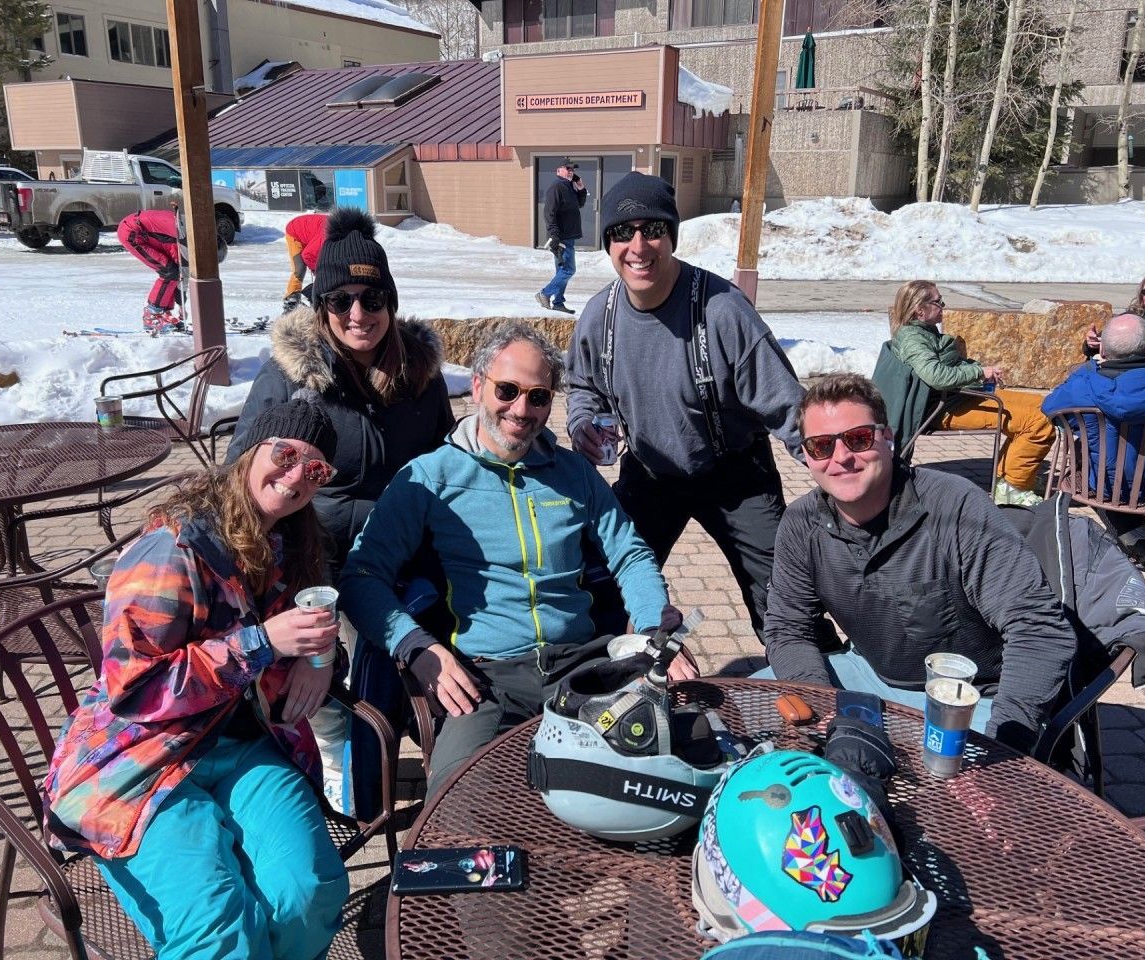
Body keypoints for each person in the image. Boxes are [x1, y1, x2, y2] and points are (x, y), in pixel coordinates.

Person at [42, 394, 350, 960]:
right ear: (248, 451)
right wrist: (262, 643)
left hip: (245, 744)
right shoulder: (172, 549)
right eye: (284, 453)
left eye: (315, 468)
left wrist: (318, 660)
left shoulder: (291, 544)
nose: (295, 475)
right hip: (142, 759)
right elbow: (134, 690)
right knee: (218, 930)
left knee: (309, 893)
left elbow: (298, 640)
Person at [340, 322, 693, 795]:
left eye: (539, 396)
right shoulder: (429, 478)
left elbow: (629, 553)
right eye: (508, 390)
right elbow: (362, 576)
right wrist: (417, 646)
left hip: (582, 667)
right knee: (455, 799)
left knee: (667, 771)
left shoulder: (572, 474)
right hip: (485, 677)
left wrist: (652, 630)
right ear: (478, 385)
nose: (521, 410)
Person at [763, 374, 1077, 752]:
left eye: (858, 438)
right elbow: (787, 628)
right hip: (865, 673)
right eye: (821, 446)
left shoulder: (954, 505)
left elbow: (1039, 629)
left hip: (967, 699)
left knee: (954, 798)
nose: (841, 457)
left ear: (888, 436)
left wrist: (1004, 742)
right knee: (741, 720)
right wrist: (820, 703)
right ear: (807, 456)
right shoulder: (801, 524)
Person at [566, 171, 806, 639]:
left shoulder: (723, 311)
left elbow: (790, 409)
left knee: (785, 602)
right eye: (622, 233)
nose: (638, 246)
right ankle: (616, 682)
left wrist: (847, 472)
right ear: (608, 244)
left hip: (735, 477)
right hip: (651, 476)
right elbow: (581, 385)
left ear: (672, 236)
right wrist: (580, 424)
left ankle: (813, 692)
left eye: (652, 229)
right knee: (604, 586)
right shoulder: (600, 314)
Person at [228, 205, 454, 576]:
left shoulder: (419, 372)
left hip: (404, 552)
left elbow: (447, 460)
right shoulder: (289, 376)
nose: (358, 314)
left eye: (372, 299)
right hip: (313, 557)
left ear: (390, 304)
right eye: (340, 299)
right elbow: (238, 471)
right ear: (321, 306)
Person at [1044, 312, 1145, 564]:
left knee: (1084, 454)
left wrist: (1089, 366)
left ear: (1104, 351)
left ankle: (1135, 537)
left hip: (1106, 486)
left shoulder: (1083, 386)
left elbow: (1051, 408)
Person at [878, 279, 1054, 506]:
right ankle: (1013, 487)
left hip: (957, 397)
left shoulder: (923, 331)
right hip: (942, 408)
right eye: (938, 301)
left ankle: (1012, 478)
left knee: (1043, 406)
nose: (943, 305)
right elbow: (936, 376)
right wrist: (978, 372)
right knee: (1036, 421)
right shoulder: (913, 339)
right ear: (919, 310)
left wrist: (976, 372)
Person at [117, 208, 184, 336]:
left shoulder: (188, 229)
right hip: (131, 233)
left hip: (143, 230)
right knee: (169, 272)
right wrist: (181, 304)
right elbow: (179, 268)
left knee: (173, 272)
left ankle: (163, 312)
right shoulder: (184, 236)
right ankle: (151, 316)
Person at [535, 158, 587, 314]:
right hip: (561, 237)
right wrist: (554, 236)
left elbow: (580, 204)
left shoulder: (568, 186)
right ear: (558, 171)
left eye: (573, 170)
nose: (571, 171)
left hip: (568, 236)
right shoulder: (556, 187)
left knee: (562, 270)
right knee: (568, 270)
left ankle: (558, 302)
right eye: (567, 169)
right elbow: (549, 213)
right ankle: (544, 294)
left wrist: (581, 188)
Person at [283, 212, 329, 311]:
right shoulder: (327, 235)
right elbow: (308, 255)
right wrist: (318, 273)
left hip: (310, 234)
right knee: (299, 268)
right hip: (294, 231)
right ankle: (291, 299)